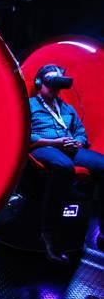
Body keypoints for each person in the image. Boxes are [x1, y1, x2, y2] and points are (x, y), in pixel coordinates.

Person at [30, 64, 104, 263]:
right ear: (39, 83)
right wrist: (53, 142)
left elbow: (80, 131)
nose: (55, 89)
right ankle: (49, 233)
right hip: (44, 147)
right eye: (50, 83)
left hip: (70, 147)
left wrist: (78, 141)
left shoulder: (66, 107)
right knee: (63, 167)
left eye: (58, 84)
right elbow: (25, 135)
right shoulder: (30, 105)